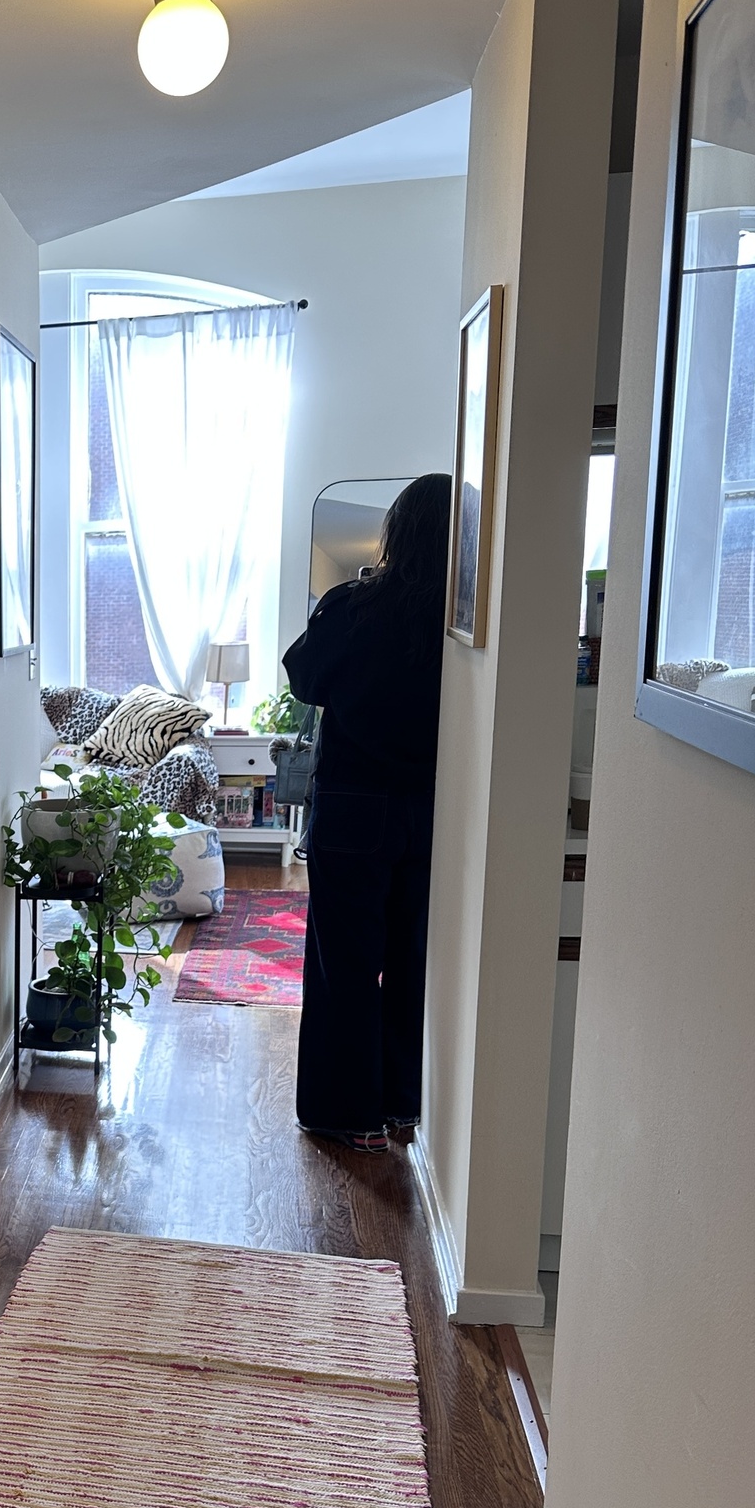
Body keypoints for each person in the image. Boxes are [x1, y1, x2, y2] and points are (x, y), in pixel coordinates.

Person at [282, 473, 451, 1152]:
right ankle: (402, 1106)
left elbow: (304, 676)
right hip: (434, 806)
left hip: (355, 803)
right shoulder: (464, 621)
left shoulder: (356, 604)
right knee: (413, 958)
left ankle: (342, 1113)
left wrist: (347, 595)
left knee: (342, 962)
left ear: (396, 532)